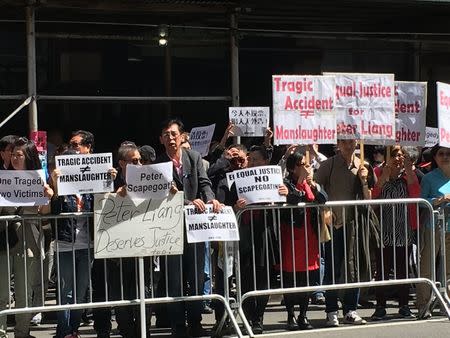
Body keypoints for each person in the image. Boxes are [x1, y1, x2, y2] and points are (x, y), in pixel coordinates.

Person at [156, 118, 221, 337]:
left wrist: (211, 199)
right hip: (171, 229)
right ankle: (177, 324)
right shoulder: (158, 163)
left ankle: (195, 321)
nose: (171, 138)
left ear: (183, 137)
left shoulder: (193, 157)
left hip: (196, 227)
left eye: (174, 134)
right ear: (161, 139)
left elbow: (204, 184)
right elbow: (161, 196)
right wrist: (186, 202)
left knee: (196, 276)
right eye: (166, 135)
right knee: (174, 278)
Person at [315, 139, 376, 327]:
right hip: (336, 224)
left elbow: (369, 197)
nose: (349, 146)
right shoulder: (328, 165)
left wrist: (364, 181)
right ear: (338, 144)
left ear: (357, 143)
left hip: (356, 224)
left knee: (354, 268)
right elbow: (316, 188)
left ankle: (350, 310)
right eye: (345, 142)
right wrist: (325, 210)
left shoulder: (364, 165)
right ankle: (331, 310)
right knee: (333, 267)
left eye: (352, 142)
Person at [230, 145, 286, 334]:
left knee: (264, 278)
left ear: (265, 162)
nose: (252, 163)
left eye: (256, 159)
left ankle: (258, 317)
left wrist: (283, 194)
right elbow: (227, 204)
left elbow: (286, 204)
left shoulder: (275, 181)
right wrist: (236, 207)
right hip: (245, 234)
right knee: (245, 278)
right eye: (250, 159)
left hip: (264, 233)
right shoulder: (238, 182)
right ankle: (247, 315)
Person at [6, 137, 54, 338]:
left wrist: (47, 196)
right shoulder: (3, 179)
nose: (16, 158)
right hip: (5, 235)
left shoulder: (38, 180)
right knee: (3, 290)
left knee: (24, 288)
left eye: (20, 155)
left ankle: (22, 331)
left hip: (28, 236)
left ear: (29, 157)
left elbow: (44, 211)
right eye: (13, 154)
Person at [280, 148, 327, 331]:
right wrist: (301, 182)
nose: (307, 169)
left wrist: (312, 184)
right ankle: (290, 315)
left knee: (307, 278)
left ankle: (303, 315)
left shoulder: (311, 183)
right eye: (303, 165)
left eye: (308, 165)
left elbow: (323, 199)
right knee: (292, 278)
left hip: (310, 236)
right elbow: (292, 198)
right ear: (293, 168)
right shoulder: (286, 182)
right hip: (292, 236)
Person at [51, 148, 96, 338]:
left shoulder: (89, 189)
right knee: (66, 291)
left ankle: (74, 330)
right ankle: (63, 331)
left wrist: (108, 181)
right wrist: (55, 183)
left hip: (86, 246)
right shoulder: (60, 188)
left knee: (81, 291)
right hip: (65, 245)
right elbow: (53, 208)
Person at [370, 145, 419, 320]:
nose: (398, 157)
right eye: (394, 154)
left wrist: (408, 170)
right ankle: (380, 306)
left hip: (403, 230)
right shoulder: (377, 173)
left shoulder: (408, 177)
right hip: (383, 231)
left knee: (402, 270)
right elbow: (373, 199)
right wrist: (384, 175)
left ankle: (404, 306)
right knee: (382, 271)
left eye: (401, 154)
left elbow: (416, 194)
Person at [416, 144, 450, 319]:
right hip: (433, 227)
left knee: (449, 269)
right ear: (435, 158)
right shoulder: (429, 178)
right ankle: (424, 304)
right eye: (441, 154)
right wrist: (438, 200)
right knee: (427, 266)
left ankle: (446, 303)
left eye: (448, 154)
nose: (445, 157)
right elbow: (422, 201)